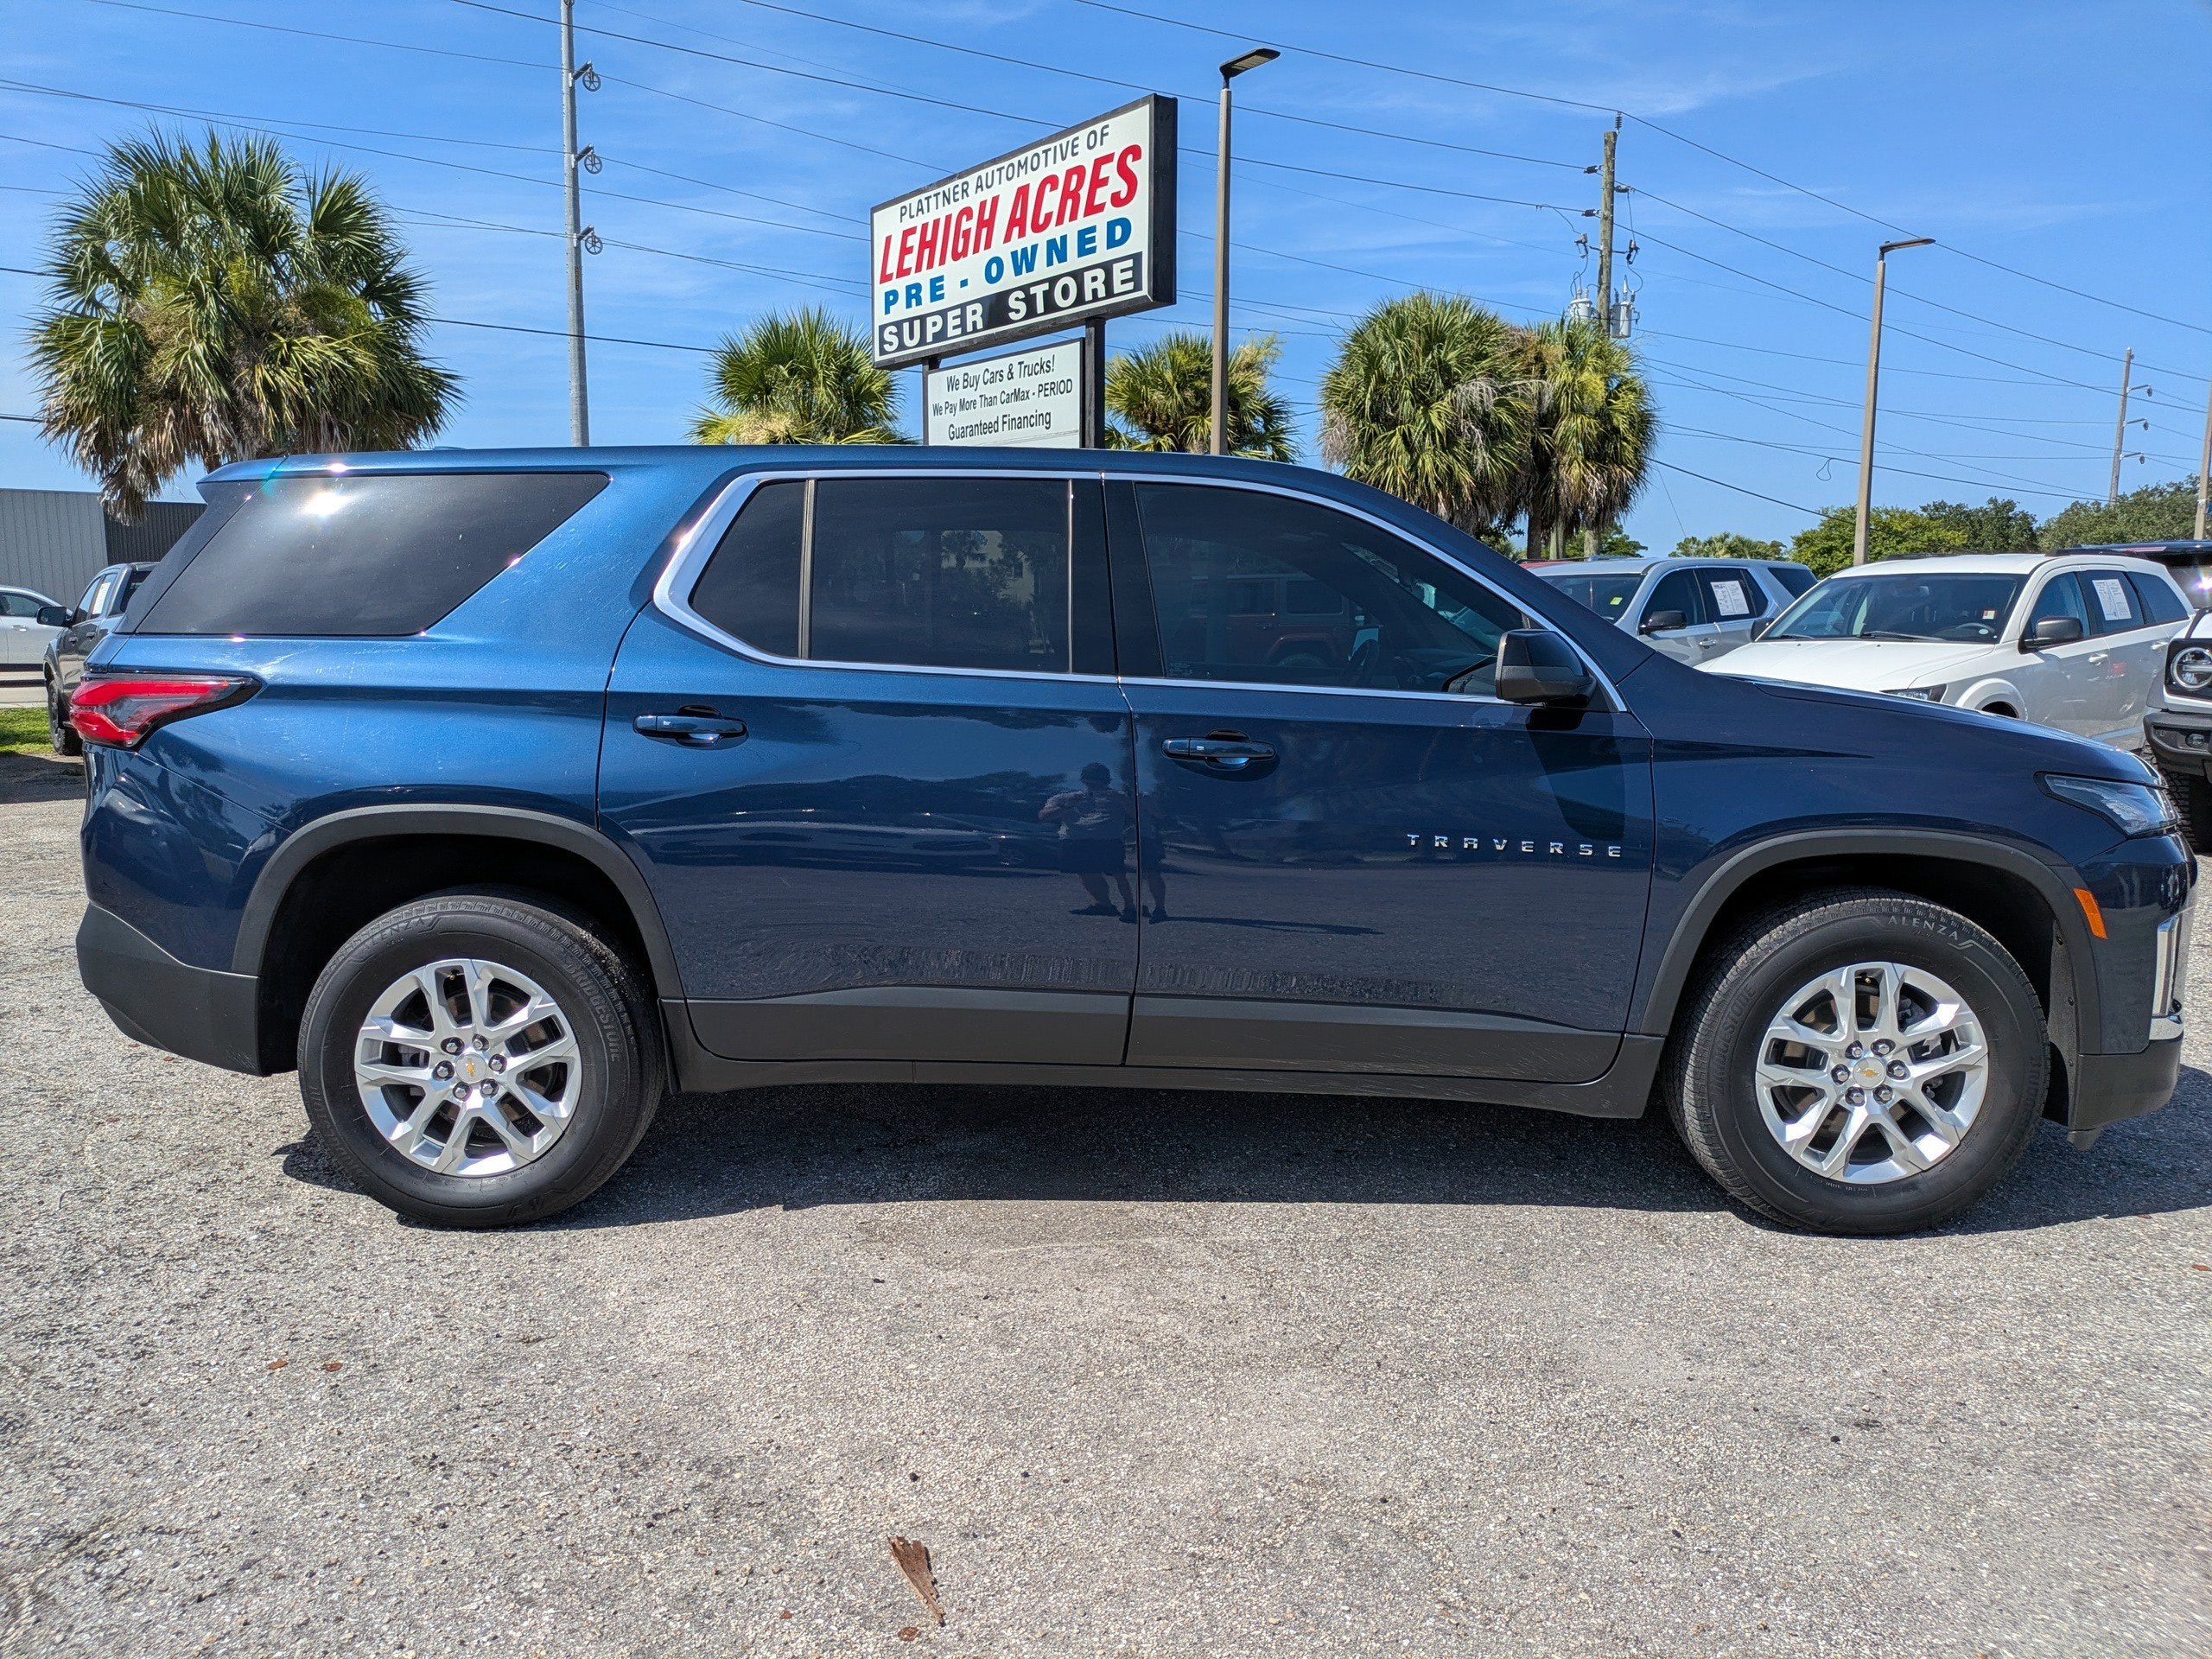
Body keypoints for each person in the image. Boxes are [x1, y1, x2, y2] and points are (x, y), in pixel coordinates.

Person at [1039, 763, 1136, 920]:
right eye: (1092, 782)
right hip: (1076, 841)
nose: (1096, 787)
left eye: (1101, 783)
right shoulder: (1066, 798)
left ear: (1108, 782)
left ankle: (1130, 907)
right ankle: (1104, 904)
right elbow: (1043, 816)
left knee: (1119, 874)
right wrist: (1068, 806)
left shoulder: (1119, 797)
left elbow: (1138, 817)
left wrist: (1124, 801)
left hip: (1108, 841)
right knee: (1086, 873)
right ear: (1084, 781)